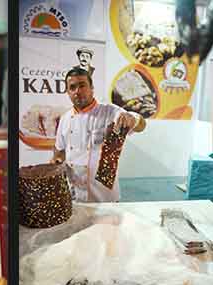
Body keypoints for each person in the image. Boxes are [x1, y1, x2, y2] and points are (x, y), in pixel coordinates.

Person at [51, 67, 146, 202]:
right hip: (75, 197)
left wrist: (134, 119)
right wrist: (57, 160)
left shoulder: (109, 111)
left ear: (92, 88)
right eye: (72, 87)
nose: (77, 91)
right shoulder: (65, 118)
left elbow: (141, 126)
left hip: (105, 197)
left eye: (82, 85)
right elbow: (59, 151)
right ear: (68, 92)